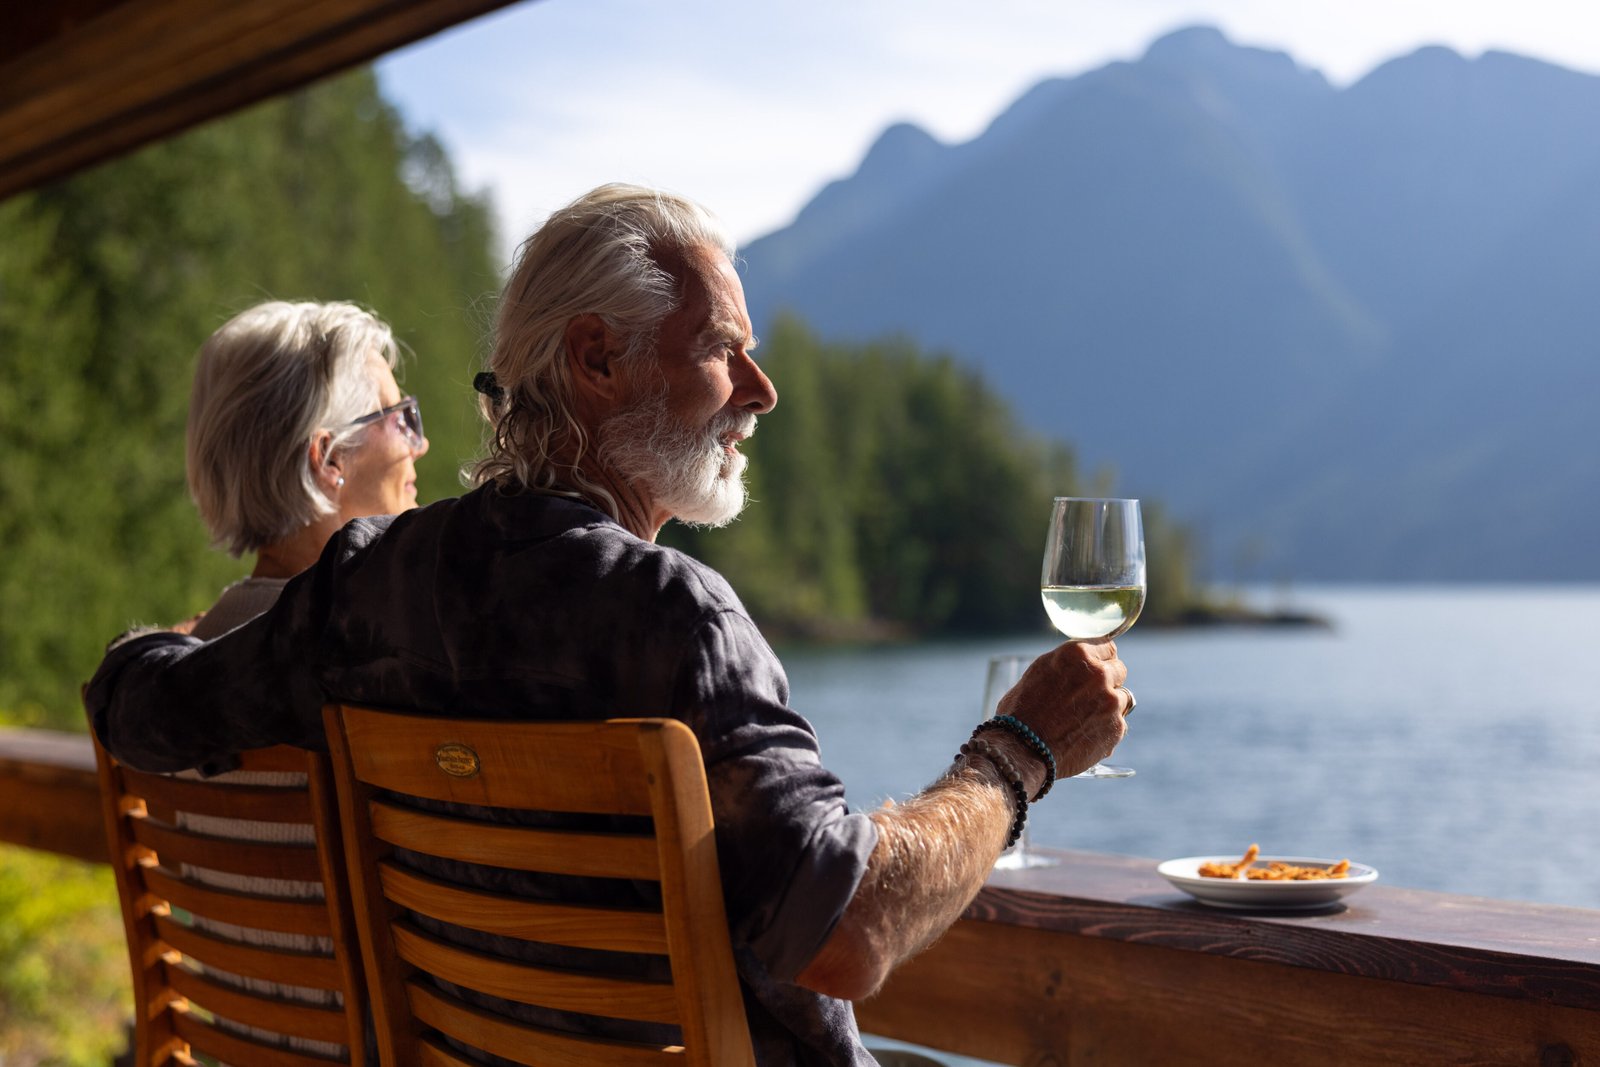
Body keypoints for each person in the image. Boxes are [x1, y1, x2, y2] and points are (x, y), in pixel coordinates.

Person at [88, 185, 1132, 1066]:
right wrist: (1016, 750)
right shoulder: (672, 615)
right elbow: (846, 934)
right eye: (722, 348)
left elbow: (137, 702)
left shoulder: (368, 583)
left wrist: (160, 642)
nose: (760, 393)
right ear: (596, 360)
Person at [165, 299, 430, 1056]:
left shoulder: (182, 673)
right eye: (398, 415)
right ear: (329, 460)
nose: (422, 441)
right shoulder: (379, 674)